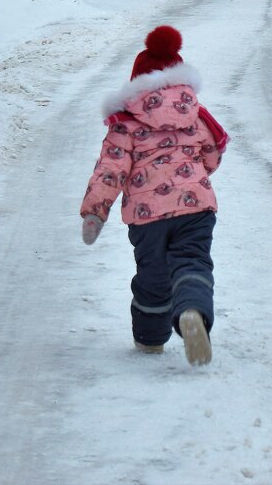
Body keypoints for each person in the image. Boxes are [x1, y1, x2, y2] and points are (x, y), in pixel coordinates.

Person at [79, 25, 229, 366]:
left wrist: (95, 212)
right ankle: (191, 310)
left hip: (148, 216)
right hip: (196, 209)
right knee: (193, 261)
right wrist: (193, 176)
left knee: (153, 275)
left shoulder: (126, 122)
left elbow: (110, 171)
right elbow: (212, 153)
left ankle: (149, 340)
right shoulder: (194, 112)